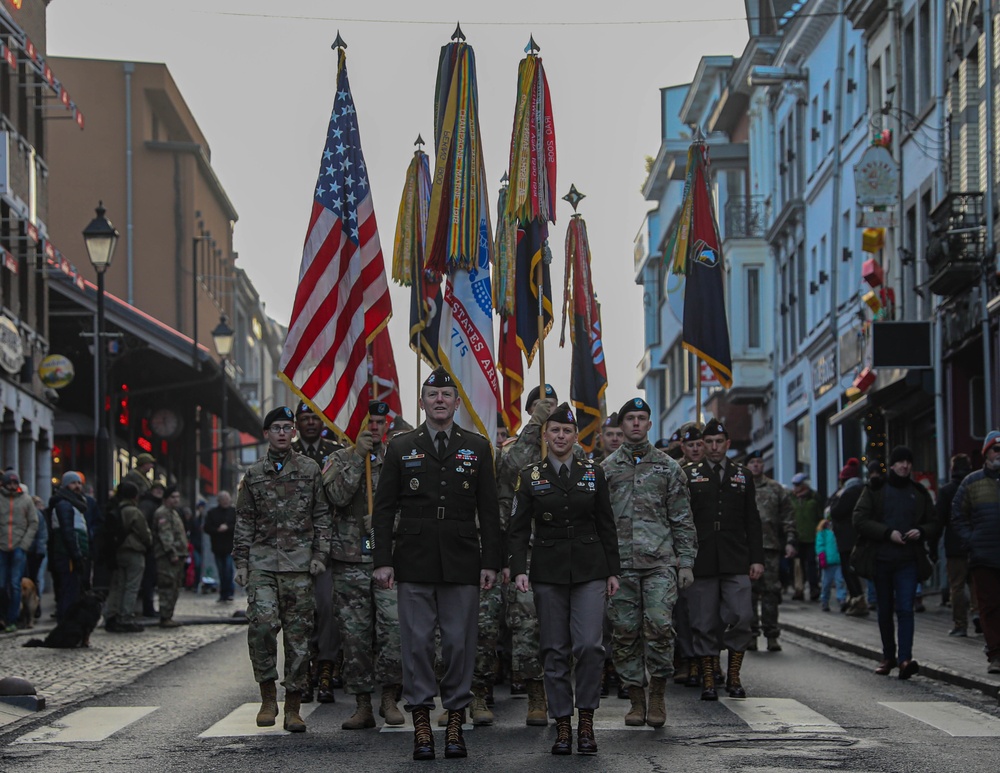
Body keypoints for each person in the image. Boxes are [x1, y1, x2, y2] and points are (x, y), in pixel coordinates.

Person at [373, 367, 502, 761]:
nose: (440, 400)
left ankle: (456, 722)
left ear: (457, 402)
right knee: (417, 645)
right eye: (433, 394)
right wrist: (383, 560)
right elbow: (384, 510)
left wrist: (491, 561)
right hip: (413, 559)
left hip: (463, 559)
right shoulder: (401, 446)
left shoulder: (477, 447)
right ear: (423, 401)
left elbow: (489, 510)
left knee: (461, 646)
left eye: (447, 394)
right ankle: (423, 724)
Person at [508, 403, 621, 755]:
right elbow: (516, 529)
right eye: (554, 430)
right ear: (546, 435)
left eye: (567, 431)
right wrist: (518, 569)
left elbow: (606, 524)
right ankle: (562, 725)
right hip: (548, 571)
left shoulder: (593, 473)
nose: (560, 436)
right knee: (554, 650)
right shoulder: (530, 476)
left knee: (589, 645)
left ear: (576, 436)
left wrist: (613, 570)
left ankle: (585, 720)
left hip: (590, 569)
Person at [234, 405, 331, 733]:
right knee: (261, 627)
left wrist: (320, 554)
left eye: (286, 427)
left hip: (299, 565)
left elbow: (321, 515)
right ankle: (267, 696)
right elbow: (245, 519)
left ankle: (293, 706)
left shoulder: (310, 469)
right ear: (266, 433)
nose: (281, 432)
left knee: (298, 638)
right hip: (262, 563)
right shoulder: (254, 474)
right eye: (275, 427)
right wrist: (241, 562)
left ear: (292, 432)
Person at [601, 397, 696, 727]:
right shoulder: (606, 469)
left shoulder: (669, 468)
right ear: (622, 425)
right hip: (619, 566)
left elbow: (682, 518)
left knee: (659, 626)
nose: (636, 424)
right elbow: (598, 521)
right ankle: (635, 698)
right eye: (630, 419)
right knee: (625, 632)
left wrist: (685, 563)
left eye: (642, 418)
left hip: (659, 563)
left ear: (650, 424)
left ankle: (657, 693)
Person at [322, 400, 404, 728]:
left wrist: (387, 523)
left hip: (388, 558)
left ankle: (389, 697)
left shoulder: (399, 458)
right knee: (354, 634)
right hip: (350, 560)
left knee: (394, 628)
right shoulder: (338, 459)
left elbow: (414, 504)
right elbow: (337, 497)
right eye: (368, 422)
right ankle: (362, 704)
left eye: (380, 422)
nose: (374, 428)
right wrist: (357, 456)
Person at [684, 418, 764, 701]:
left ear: (728, 444)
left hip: (735, 557)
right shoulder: (688, 474)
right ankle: (708, 678)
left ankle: (734, 676)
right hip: (702, 558)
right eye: (709, 442)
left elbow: (752, 520)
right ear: (702, 444)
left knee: (742, 616)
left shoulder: (742, 474)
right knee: (703, 622)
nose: (714, 447)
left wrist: (757, 558)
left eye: (719, 442)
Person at [495, 383, 559, 725]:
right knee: (526, 626)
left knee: (561, 628)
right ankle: (536, 694)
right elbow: (513, 468)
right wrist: (535, 426)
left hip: (563, 551)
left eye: (550, 405)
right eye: (539, 406)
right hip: (527, 553)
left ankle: (559, 691)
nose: (545, 410)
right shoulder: (513, 448)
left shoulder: (570, 450)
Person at [852, 445, 939, 679]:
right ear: (892, 465)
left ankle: (905, 659)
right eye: (900, 462)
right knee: (885, 610)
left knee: (905, 609)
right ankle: (888, 656)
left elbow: (934, 522)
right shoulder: (876, 489)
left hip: (908, 560)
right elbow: (859, 519)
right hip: (881, 559)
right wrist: (886, 532)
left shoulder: (919, 492)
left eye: (908, 462)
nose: (905, 466)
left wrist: (921, 531)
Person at [291, 400, 344, 702]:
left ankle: (326, 668)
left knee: (326, 609)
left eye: (315, 417)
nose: (310, 422)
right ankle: (304, 669)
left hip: (327, 547)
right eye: (305, 418)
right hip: (295, 547)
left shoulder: (334, 454)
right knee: (299, 612)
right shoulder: (288, 454)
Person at [951, 431, 1000, 674]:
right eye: (995, 450)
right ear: (986, 453)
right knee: (989, 606)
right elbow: (957, 515)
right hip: (984, 556)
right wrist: (972, 540)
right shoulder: (972, 482)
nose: (999, 455)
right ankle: (995, 654)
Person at [746, 450, 796, 652]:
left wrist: (791, 541)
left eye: (759, 462)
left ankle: (771, 634)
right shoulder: (741, 486)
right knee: (748, 594)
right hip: (746, 548)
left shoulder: (776, 489)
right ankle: (751, 634)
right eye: (752, 462)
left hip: (770, 548)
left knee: (771, 593)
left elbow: (788, 517)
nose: (756, 465)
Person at [104, 481, 152, 633]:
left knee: (117, 585)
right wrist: (148, 542)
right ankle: (125, 617)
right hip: (133, 551)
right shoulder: (134, 512)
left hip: (118, 551)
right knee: (132, 586)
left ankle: (111, 615)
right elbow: (144, 533)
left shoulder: (116, 509)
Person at [939, 454, 976, 636]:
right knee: (976, 583)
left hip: (954, 545)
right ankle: (979, 615)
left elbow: (939, 519)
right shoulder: (974, 487)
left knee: (957, 586)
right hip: (975, 542)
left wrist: (932, 543)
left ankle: (960, 624)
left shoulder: (946, 491)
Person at [47, 471, 91, 622]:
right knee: (68, 589)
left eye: (79, 483)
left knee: (72, 588)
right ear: (66, 485)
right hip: (67, 555)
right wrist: (76, 554)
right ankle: (66, 623)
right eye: (73, 483)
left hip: (71, 552)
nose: (77, 486)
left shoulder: (75, 504)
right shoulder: (64, 504)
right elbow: (68, 531)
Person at [827, 458, 868, 617]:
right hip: (857, 536)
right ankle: (857, 599)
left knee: (848, 570)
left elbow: (835, 511)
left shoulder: (848, 493)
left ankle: (858, 601)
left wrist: (836, 499)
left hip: (847, 537)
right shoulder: (863, 489)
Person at [1, 471, 38, 632]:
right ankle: (3, 617)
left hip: (18, 547)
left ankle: (12, 619)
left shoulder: (26, 500)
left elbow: (33, 522)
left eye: (15, 483)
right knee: (1, 584)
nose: (12, 486)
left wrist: (24, 544)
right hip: (1, 546)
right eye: (9, 483)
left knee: (15, 584)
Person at [153, 488, 187, 628]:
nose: (176, 500)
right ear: (166, 498)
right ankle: (165, 616)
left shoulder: (174, 513)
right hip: (168, 556)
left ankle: (169, 615)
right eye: (173, 497)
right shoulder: (163, 513)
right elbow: (165, 536)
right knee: (167, 585)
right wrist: (172, 553)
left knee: (175, 586)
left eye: (178, 497)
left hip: (179, 554)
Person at [790, 472, 822, 601]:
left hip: (811, 536)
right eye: (795, 485)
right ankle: (799, 589)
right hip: (797, 536)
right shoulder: (791, 498)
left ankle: (814, 589)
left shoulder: (813, 497)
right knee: (798, 565)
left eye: (798, 485)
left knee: (811, 563)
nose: (796, 488)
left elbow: (820, 516)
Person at [137, 480, 165, 618]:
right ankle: (147, 608)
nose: (159, 492)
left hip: (153, 546)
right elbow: (143, 523)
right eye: (156, 489)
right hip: (150, 547)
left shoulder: (156, 504)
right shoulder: (148, 505)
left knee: (152, 579)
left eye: (161, 489)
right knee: (148, 579)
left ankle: (149, 607)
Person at [204, 491, 237, 602]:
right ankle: (223, 593)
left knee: (228, 570)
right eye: (223, 499)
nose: (225, 501)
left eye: (227, 499)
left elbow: (238, 526)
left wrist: (227, 528)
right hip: (217, 547)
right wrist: (217, 530)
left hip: (229, 547)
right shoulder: (212, 513)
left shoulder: (233, 512)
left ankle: (229, 593)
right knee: (221, 572)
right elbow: (207, 528)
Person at [815, 516, 846, 612]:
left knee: (840, 581)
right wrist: (822, 557)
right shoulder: (823, 532)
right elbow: (820, 545)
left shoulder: (839, 531)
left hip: (838, 561)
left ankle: (842, 599)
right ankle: (824, 600)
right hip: (828, 562)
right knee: (826, 583)